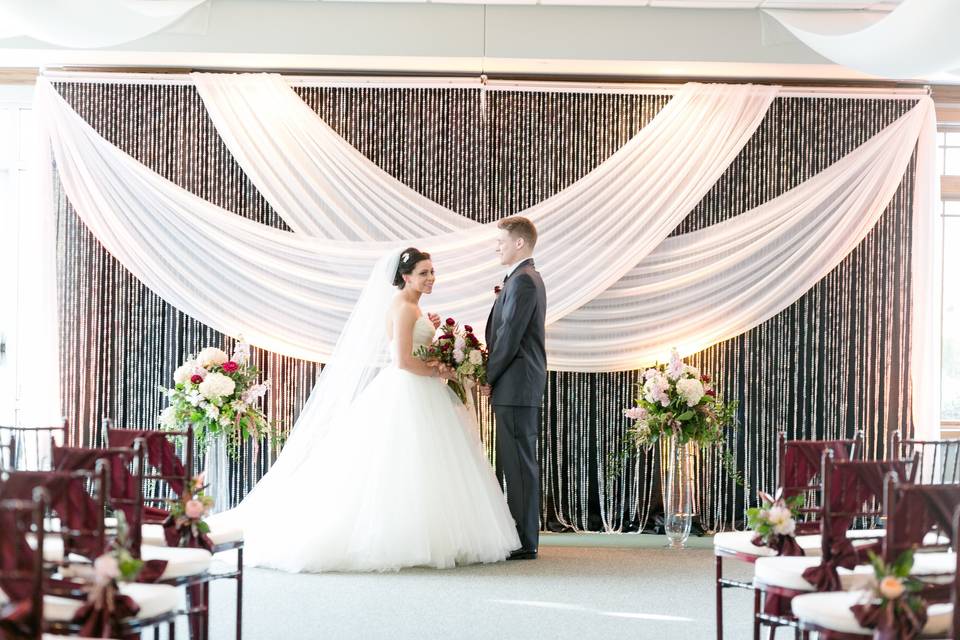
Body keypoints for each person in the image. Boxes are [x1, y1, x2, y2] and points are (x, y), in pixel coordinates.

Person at [209, 248, 519, 572]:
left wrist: (435, 336)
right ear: (406, 276)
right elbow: (402, 361)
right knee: (401, 464)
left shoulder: (413, 307)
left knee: (422, 462)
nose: (431, 278)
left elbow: (417, 346)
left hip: (420, 389)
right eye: (424, 273)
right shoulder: (403, 308)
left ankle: (425, 532)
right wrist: (443, 372)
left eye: (432, 272)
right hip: (409, 389)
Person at [481, 216, 547, 560]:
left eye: (501, 241)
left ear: (519, 243)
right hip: (516, 385)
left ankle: (525, 541)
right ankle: (521, 535)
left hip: (517, 385)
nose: (497, 247)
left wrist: (486, 377)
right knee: (515, 462)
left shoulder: (523, 281)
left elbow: (508, 339)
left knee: (520, 464)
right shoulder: (521, 279)